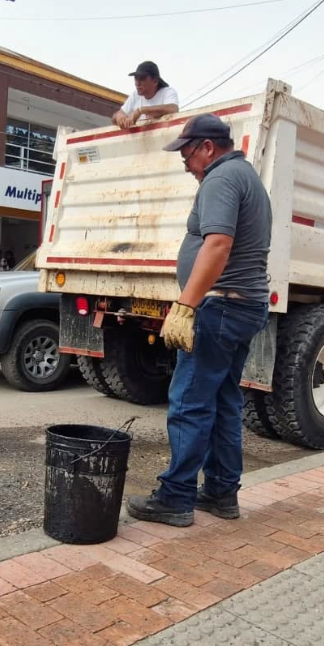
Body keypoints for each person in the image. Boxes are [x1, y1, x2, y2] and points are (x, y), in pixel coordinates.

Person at [125, 114, 272, 527]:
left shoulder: (221, 179)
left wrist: (186, 305)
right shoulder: (248, 177)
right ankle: (222, 493)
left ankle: (176, 497)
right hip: (242, 307)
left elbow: (219, 243)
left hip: (219, 308)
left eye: (187, 154)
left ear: (207, 147)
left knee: (190, 402)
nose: (186, 164)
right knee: (224, 401)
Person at [112, 61, 179, 130]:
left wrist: (140, 111)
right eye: (136, 79)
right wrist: (120, 117)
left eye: (142, 79)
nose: (137, 83)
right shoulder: (135, 95)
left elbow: (173, 109)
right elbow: (116, 116)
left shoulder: (168, 92)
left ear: (155, 81)